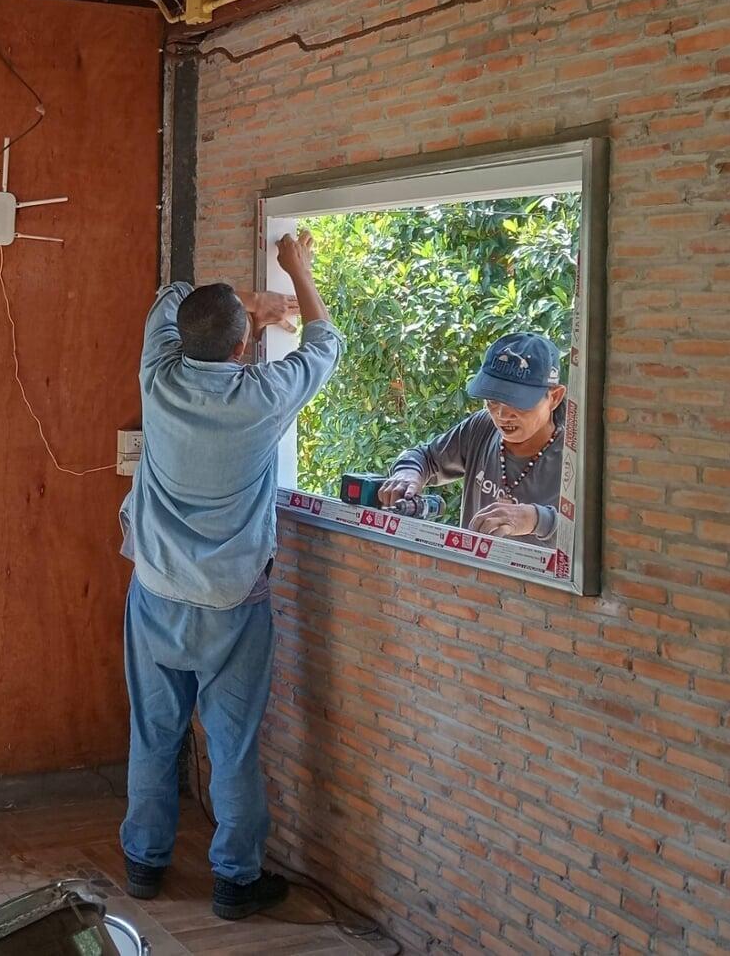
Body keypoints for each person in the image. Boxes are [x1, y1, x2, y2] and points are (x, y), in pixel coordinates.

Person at [118, 230, 343, 921]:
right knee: (233, 745)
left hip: (156, 594)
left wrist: (245, 302)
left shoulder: (157, 377)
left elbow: (172, 298)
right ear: (244, 348)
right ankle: (234, 880)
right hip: (232, 606)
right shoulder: (263, 397)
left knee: (154, 734)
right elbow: (325, 343)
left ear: (182, 340)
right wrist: (296, 269)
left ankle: (144, 863)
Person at [378, 333, 566, 544]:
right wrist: (408, 472)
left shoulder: (575, 456)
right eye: (493, 400)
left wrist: (538, 520)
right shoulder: (482, 427)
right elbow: (426, 457)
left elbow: (593, 539)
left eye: (518, 402)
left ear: (554, 397)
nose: (502, 415)